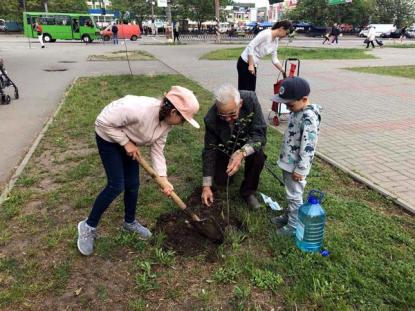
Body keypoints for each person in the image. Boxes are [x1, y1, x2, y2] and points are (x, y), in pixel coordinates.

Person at [77, 86, 200, 256]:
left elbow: (157, 150)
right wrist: (125, 142)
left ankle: (129, 223)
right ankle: (88, 226)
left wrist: (163, 178)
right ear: (173, 112)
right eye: (183, 119)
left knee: (133, 184)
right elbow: (102, 122)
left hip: (130, 142)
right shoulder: (138, 109)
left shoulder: (166, 124)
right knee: (116, 185)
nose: (183, 123)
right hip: (108, 136)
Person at [201, 84, 267, 210]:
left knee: (258, 155)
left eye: (232, 114)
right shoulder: (211, 119)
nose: (228, 120)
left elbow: (260, 135)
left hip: (247, 142)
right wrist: (206, 186)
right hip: (226, 145)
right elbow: (210, 149)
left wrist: (242, 152)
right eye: (222, 116)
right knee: (221, 181)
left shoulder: (250, 99)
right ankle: (231, 165)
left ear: (240, 104)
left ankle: (247, 192)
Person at [270, 77, 321, 235]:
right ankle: (290, 216)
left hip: (296, 167)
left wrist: (301, 168)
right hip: (289, 163)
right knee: (290, 194)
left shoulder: (309, 117)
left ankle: (293, 227)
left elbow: (308, 147)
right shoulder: (297, 110)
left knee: (294, 196)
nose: (288, 108)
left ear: (304, 99)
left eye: (290, 105)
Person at [237, 20, 292, 92]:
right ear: (281, 28)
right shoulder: (266, 34)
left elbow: (275, 59)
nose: (286, 35)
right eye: (286, 33)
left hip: (254, 65)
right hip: (245, 62)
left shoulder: (275, 41)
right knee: (244, 91)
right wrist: (250, 65)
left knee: (251, 91)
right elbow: (251, 46)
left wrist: (283, 71)